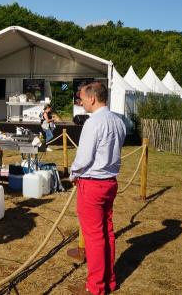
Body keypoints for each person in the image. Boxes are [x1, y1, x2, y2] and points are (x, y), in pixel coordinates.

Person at [67, 82, 126, 295]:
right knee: (106, 232)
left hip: (93, 184)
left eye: (81, 97)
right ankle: (109, 281)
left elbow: (83, 158)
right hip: (110, 182)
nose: (80, 101)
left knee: (94, 237)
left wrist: (73, 173)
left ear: (92, 98)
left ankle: (96, 287)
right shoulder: (118, 121)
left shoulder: (93, 123)